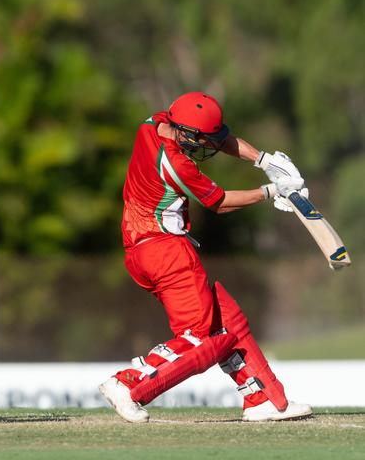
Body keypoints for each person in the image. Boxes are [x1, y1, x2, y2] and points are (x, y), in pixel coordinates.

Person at [98, 92, 313, 423]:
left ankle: (264, 399)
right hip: (166, 250)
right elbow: (221, 202)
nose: (208, 145)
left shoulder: (154, 123)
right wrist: (271, 192)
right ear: (183, 132)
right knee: (198, 337)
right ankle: (130, 385)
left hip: (139, 248)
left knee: (226, 321)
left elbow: (221, 137)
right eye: (201, 139)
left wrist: (266, 162)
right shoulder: (176, 163)